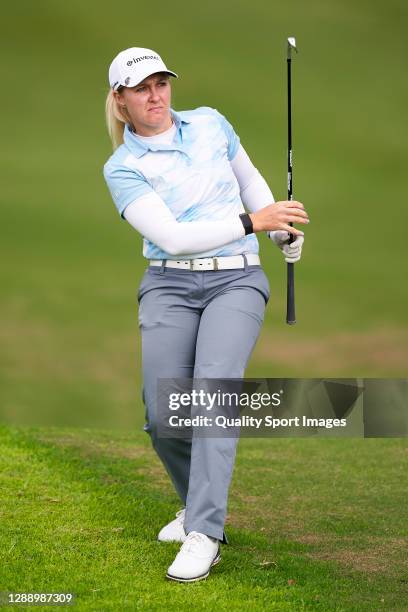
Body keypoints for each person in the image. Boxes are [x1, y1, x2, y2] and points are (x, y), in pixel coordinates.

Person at [103, 47, 309, 583]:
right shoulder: (124, 168)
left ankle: (205, 533)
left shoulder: (211, 124)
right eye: (141, 88)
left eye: (161, 83)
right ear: (121, 100)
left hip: (236, 279)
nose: (155, 96)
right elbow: (171, 238)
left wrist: (281, 225)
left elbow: (252, 181)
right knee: (161, 411)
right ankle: (194, 504)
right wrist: (255, 221)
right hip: (169, 285)